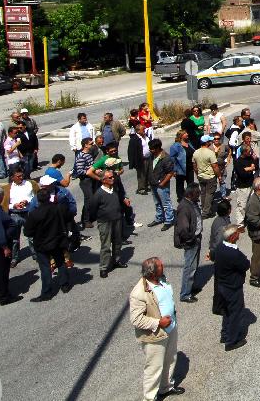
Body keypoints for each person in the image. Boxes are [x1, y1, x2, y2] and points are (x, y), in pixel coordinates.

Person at [129, 257, 184, 401]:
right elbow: (136, 320)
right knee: (154, 368)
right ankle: (149, 398)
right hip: (155, 335)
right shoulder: (139, 292)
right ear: (152, 273)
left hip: (171, 328)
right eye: (160, 266)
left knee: (170, 359)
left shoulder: (161, 279)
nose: (163, 266)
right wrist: (159, 322)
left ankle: (165, 388)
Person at [23, 184, 72, 300]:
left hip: (42, 245)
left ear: (38, 200)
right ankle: (65, 284)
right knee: (60, 262)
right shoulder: (58, 208)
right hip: (57, 241)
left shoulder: (34, 214)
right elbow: (69, 217)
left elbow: (27, 232)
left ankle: (47, 292)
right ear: (49, 197)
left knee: (45, 268)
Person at [212, 224, 250, 351]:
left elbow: (213, 256)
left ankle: (225, 334)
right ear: (233, 237)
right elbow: (245, 265)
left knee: (226, 311)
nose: (239, 235)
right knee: (235, 313)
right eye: (237, 233)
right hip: (233, 287)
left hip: (222, 285)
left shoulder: (220, 248)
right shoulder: (233, 253)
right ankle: (231, 341)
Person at [88, 169, 129, 277]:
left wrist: (124, 199)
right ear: (103, 180)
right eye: (110, 177)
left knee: (117, 242)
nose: (113, 179)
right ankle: (104, 267)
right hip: (105, 222)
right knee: (106, 245)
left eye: (112, 177)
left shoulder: (114, 188)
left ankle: (116, 261)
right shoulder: (98, 194)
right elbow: (92, 209)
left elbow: (120, 197)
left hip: (117, 220)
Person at [174, 184, 203, 302]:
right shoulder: (184, 207)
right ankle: (185, 294)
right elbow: (183, 229)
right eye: (197, 194)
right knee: (189, 267)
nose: (199, 197)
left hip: (196, 238)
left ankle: (190, 287)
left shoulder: (192, 203)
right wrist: (192, 238)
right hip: (191, 241)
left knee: (194, 266)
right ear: (190, 194)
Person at [149, 139, 176, 230]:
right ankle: (159, 218)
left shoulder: (166, 158)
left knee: (166, 203)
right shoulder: (152, 156)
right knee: (157, 203)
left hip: (161, 185)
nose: (150, 150)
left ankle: (169, 220)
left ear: (157, 148)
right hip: (153, 183)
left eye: (152, 148)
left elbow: (170, 172)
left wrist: (163, 183)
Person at [192, 135, 221, 219]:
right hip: (210, 177)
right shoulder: (210, 153)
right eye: (210, 141)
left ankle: (205, 209)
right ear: (207, 142)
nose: (211, 142)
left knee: (203, 193)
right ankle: (206, 212)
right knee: (209, 194)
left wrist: (197, 174)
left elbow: (194, 166)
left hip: (201, 176)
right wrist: (219, 176)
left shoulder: (196, 152)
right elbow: (215, 166)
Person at [169, 130, 190, 201]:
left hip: (190, 168)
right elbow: (172, 159)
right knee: (180, 185)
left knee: (190, 184)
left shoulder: (188, 143)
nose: (187, 134)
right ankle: (181, 198)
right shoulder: (175, 146)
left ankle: (190, 197)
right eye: (185, 133)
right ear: (181, 136)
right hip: (180, 168)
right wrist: (174, 170)